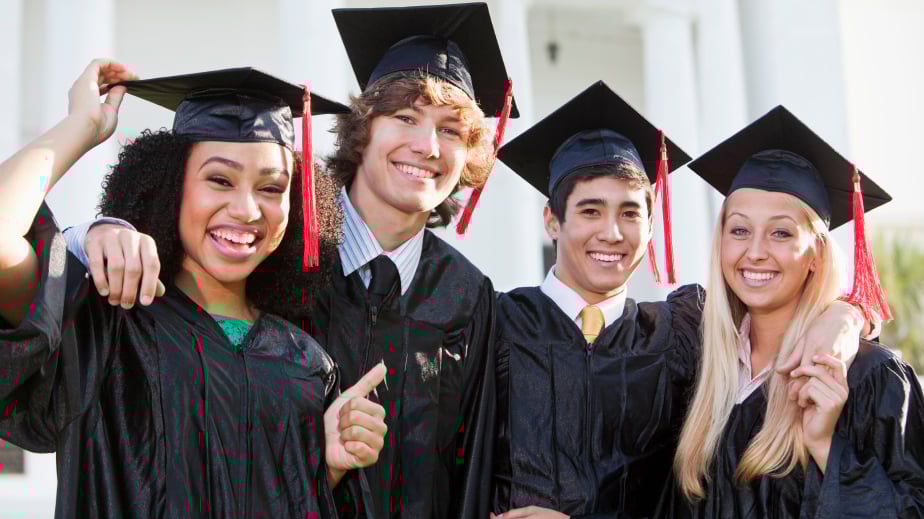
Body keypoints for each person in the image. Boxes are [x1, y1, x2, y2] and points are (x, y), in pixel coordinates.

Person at [63, 3, 516, 518]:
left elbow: (474, 462)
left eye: (452, 131)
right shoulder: (271, 253)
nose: (426, 146)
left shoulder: (467, 294)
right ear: (363, 128)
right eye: (405, 118)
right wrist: (86, 236)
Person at [0, 60, 388, 518]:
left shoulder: (306, 364)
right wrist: (81, 128)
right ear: (172, 186)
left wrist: (327, 471)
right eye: (219, 180)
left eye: (271, 187)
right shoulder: (103, 326)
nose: (246, 210)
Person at [490, 83, 877, 519]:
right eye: (590, 211)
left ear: (651, 227)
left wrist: (845, 315)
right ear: (552, 221)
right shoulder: (492, 323)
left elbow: (781, 303)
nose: (612, 233)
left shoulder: (678, 333)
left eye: (631, 213)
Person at [661, 105, 924, 518]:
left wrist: (825, 445)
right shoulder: (697, 358)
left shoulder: (870, 379)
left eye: (781, 232)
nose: (756, 252)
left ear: (817, 254)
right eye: (740, 230)